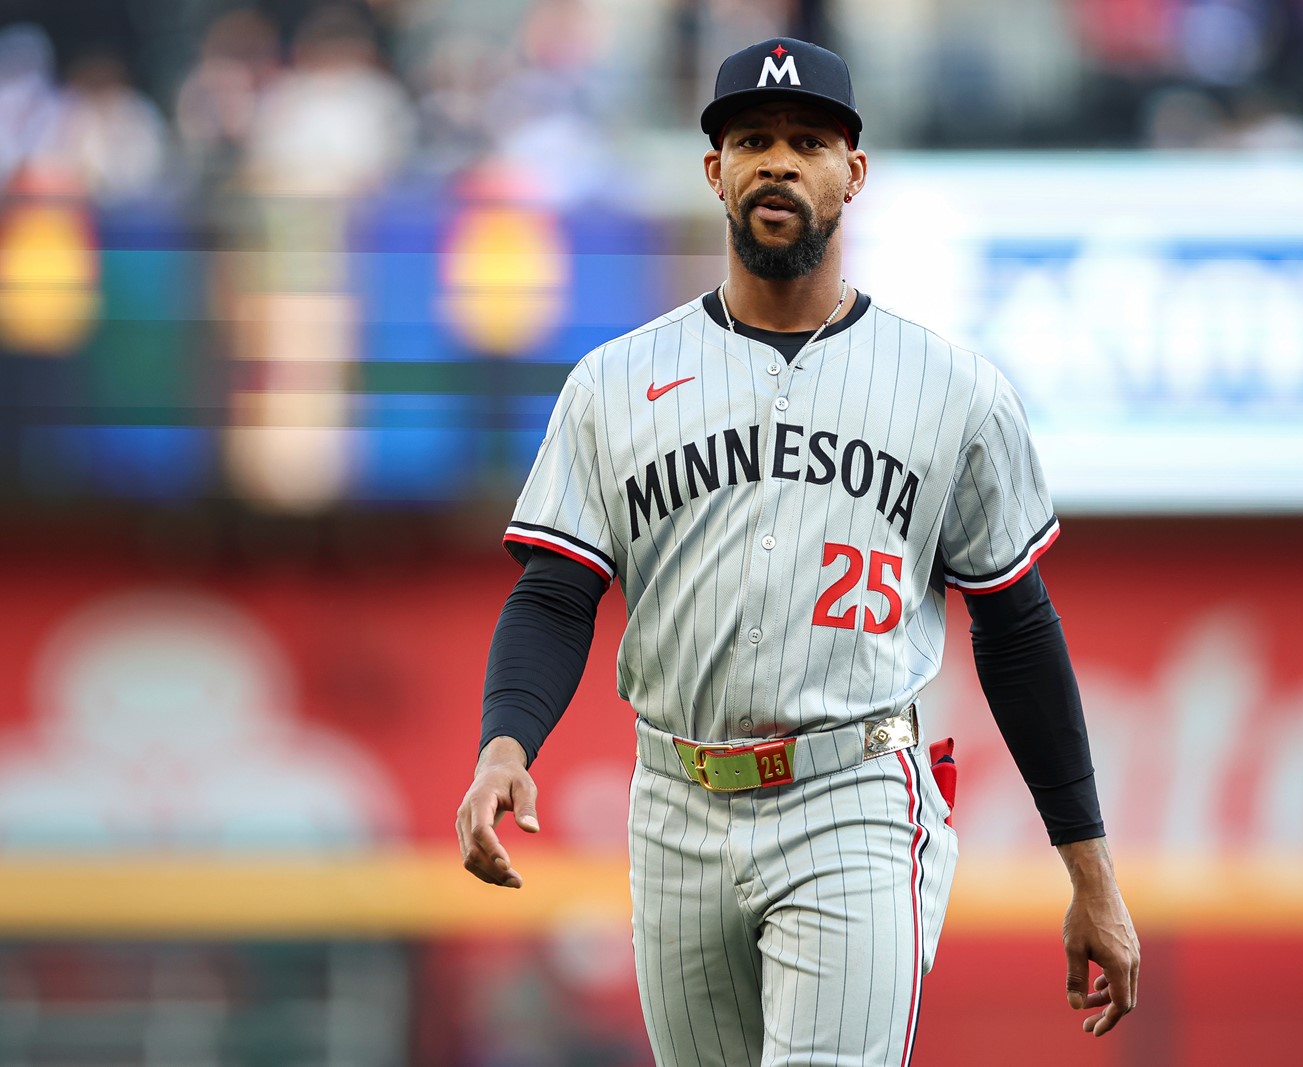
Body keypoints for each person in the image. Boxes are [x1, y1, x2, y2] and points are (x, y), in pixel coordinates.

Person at [455, 37, 1140, 1065]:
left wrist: (1089, 869)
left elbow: (1015, 623)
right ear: (715, 171)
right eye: (753, 139)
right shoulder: (612, 380)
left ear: (851, 174)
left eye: (808, 141)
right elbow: (557, 595)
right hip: (675, 799)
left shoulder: (951, 387)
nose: (778, 161)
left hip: (852, 791)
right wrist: (505, 748)